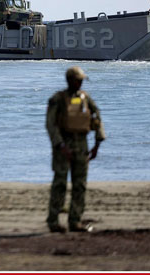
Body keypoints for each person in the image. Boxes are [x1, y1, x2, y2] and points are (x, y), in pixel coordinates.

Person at [45, 66, 106, 233]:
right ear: (70, 80)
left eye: (81, 81)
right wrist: (60, 145)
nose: (80, 83)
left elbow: (97, 117)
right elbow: (51, 125)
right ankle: (53, 220)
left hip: (82, 145)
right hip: (63, 145)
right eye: (78, 80)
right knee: (60, 184)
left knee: (80, 185)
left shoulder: (85, 98)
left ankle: (75, 220)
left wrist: (97, 143)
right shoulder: (57, 99)